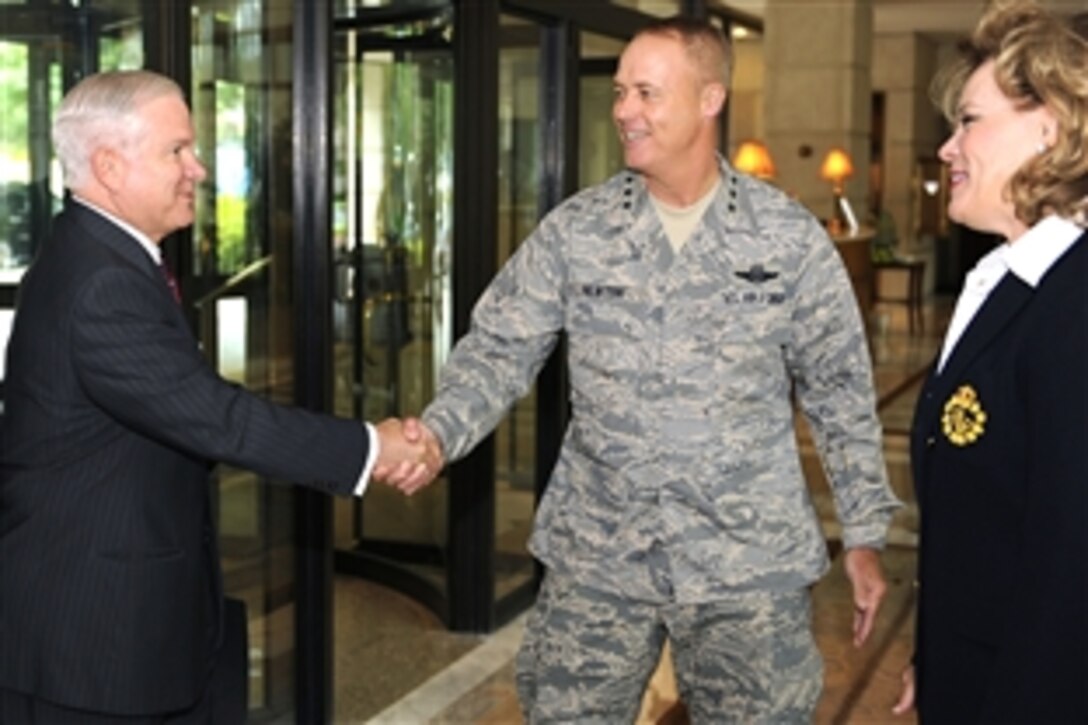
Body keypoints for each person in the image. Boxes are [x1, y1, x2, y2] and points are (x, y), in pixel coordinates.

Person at [386, 16, 901, 722]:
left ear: (710, 98)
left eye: (647, 93)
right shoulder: (578, 231)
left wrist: (866, 532)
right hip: (599, 557)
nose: (624, 109)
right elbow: (499, 347)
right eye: (622, 91)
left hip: (746, 566)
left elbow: (840, 390)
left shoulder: (787, 238)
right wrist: (440, 433)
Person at [0, 70, 437, 723]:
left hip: (132, 619)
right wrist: (371, 447)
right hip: (92, 643)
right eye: (176, 150)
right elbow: (217, 417)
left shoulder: (101, 256)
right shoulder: (99, 284)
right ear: (110, 167)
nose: (197, 169)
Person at [892, 1, 1088, 721]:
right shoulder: (1005, 279)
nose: (947, 148)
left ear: (1053, 126)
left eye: (969, 120)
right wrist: (935, 656)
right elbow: (981, 522)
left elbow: (1070, 573)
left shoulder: (1076, 308)